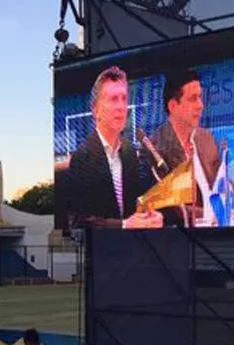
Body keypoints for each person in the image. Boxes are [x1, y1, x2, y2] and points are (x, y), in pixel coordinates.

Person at [63, 65, 162, 229]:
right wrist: (123, 225)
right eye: (113, 99)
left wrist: (149, 215)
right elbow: (78, 221)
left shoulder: (130, 151)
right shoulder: (82, 158)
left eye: (124, 98)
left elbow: (135, 203)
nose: (121, 107)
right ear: (96, 111)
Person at [150, 69, 234, 226]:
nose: (201, 106)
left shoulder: (205, 138)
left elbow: (226, 184)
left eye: (200, 97)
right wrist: (215, 212)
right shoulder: (157, 149)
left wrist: (233, 205)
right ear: (173, 106)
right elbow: (173, 209)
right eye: (193, 99)